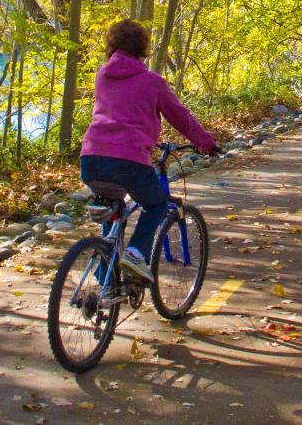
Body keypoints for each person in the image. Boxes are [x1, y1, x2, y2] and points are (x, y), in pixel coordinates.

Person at [80, 18, 219, 282]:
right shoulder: (152, 82)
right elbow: (180, 117)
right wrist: (206, 143)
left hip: (91, 158)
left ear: (112, 45)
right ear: (143, 47)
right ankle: (134, 254)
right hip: (129, 159)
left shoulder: (102, 75)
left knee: (113, 208)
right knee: (157, 205)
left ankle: (106, 282)